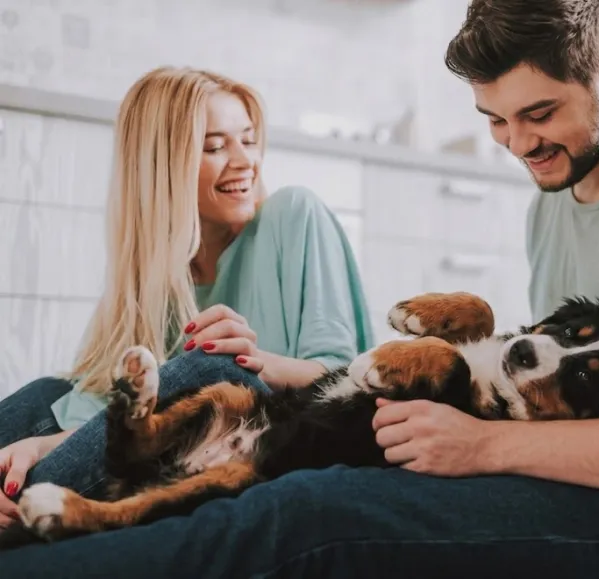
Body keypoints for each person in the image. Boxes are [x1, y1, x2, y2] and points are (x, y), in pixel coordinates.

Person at [0, 1, 599, 578]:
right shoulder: (555, 194)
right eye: (495, 120)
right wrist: (288, 370)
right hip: (559, 466)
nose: (516, 144)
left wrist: (482, 445)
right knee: (275, 476)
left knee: (306, 514)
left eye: (538, 114)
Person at [0, 66, 374, 527]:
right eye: (215, 147)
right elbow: (119, 419)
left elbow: (344, 375)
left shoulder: (293, 214)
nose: (244, 161)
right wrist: (38, 445)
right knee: (53, 393)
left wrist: (257, 361)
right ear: (164, 166)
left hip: (266, 434)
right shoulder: (157, 273)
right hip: (173, 443)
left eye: (249, 140)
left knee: (214, 369)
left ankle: (31, 504)